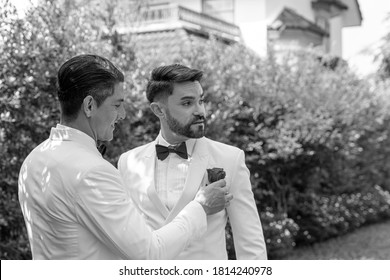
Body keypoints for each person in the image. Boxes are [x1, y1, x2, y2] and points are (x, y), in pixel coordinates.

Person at [18, 55, 232, 260]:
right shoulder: (93, 172)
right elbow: (149, 253)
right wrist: (201, 206)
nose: (123, 115)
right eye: (117, 104)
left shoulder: (34, 160)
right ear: (89, 105)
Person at [118, 64, 267, 259]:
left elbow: (250, 242)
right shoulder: (128, 162)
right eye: (187, 103)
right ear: (158, 110)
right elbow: (127, 237)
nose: (200, 111)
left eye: (201, 100)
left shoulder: (230, 158)